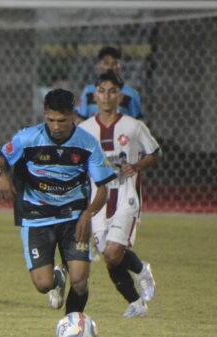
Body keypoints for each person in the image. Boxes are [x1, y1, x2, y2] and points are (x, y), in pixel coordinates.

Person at [0, 88, 115, 316]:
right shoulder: (27, 138)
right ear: (44, 113)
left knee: (79, 282)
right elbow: (0, 158)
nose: (56, 126)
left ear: (73, 116)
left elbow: (103, 188)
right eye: (51, 120)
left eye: (62, 121)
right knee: (43, 285)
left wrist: (88, 214)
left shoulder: (87, 143)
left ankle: (73, 326)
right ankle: (57, 278)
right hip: (36, 216)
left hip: (73, 217)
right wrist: (0, 174)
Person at [78, 71, 160, 317]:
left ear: (120, 96)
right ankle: (136, 304)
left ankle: (142, 270)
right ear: (95, 95)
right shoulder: (85, 129)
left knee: (114, 252)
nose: (106, 96)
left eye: (112, 91)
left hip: (126, 196)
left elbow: (155, 153)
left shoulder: (133, 127)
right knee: (109, 257)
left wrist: (136, 166)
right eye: (102, 91)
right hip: (99, 200)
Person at [75, 46, 143, 123]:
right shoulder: (89, 91)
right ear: (99, 66)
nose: (110, 67)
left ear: (120, 67)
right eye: (106, 63)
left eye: (115, 63)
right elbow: (81, 119)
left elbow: (138, 122)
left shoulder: (131, 94)